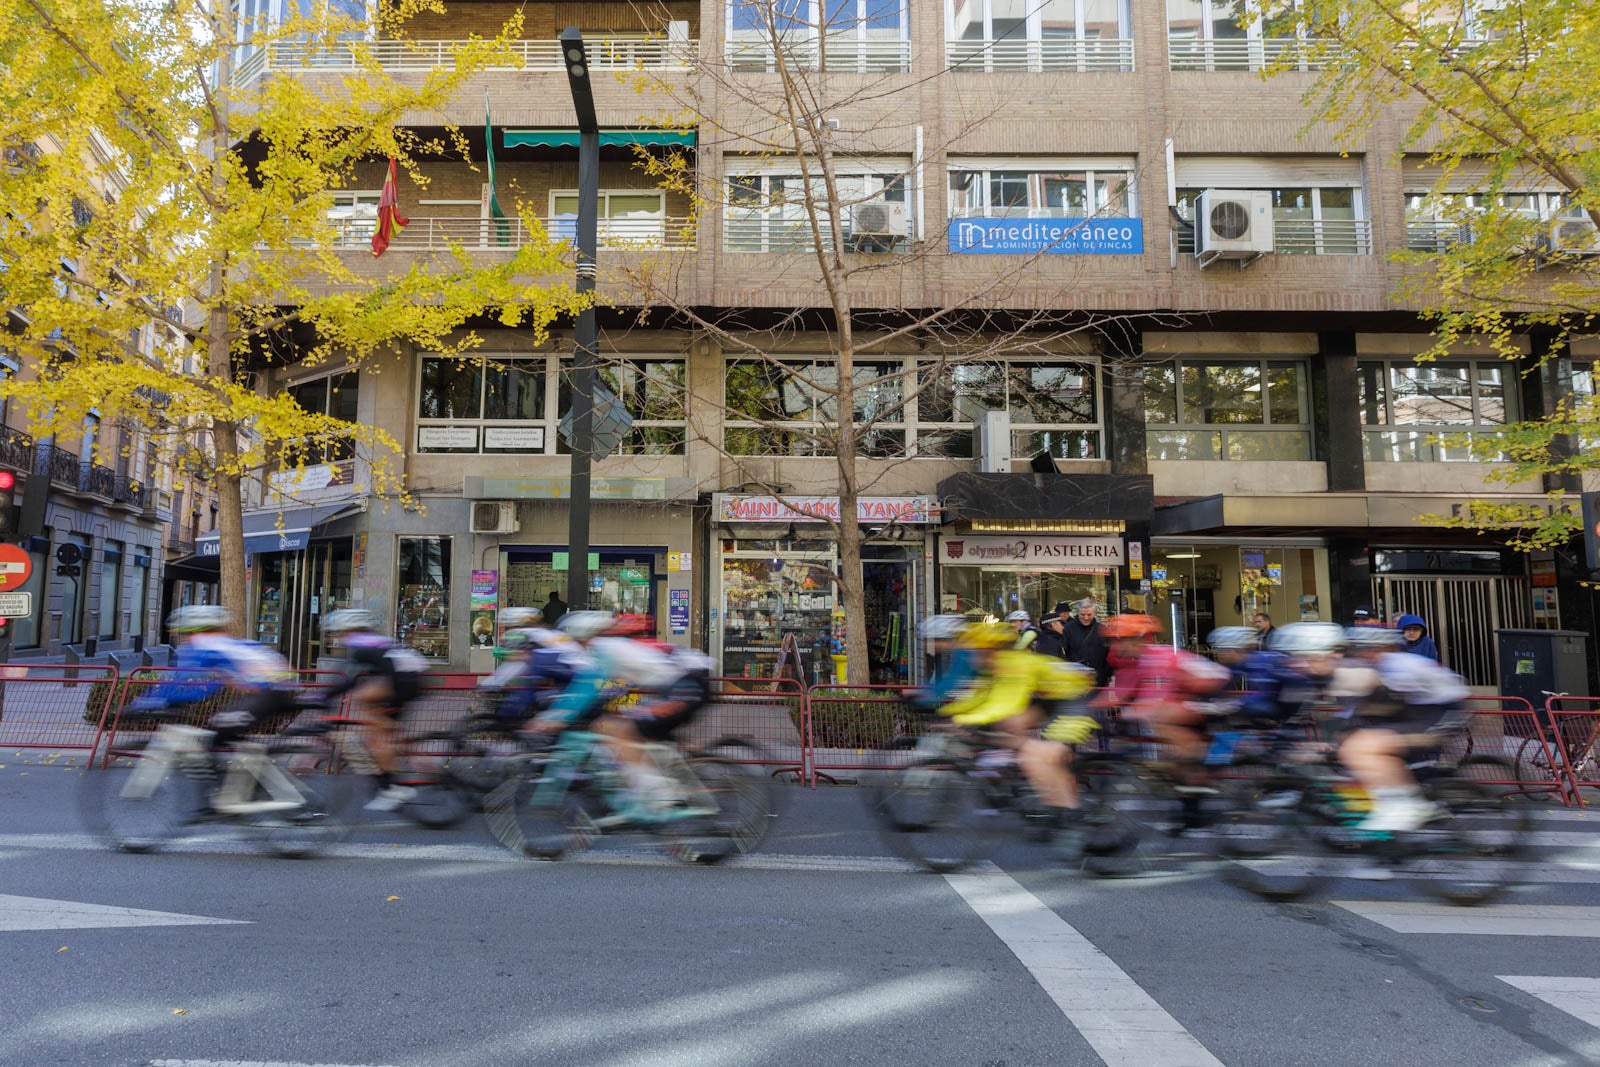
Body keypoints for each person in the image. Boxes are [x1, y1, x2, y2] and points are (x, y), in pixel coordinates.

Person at [129, 606, 297, 810]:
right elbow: (209, 686)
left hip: (269, 692)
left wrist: (147, 702)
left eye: (183, 633)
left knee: (217, 733)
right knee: (222, 731)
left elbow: (181, 683)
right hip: (274, 690)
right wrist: (170, 701)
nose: (182, 639)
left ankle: (233, 793)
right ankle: (236, 789)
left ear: (194, 630)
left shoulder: (203, 645)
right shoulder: (221, 643)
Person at [1334, 625, 1470, 832]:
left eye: (1370, 649)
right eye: (1359, 650)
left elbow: (1380, 705)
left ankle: (1405, 807)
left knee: (1368, 745)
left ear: (1385, 649)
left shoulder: (1397, 666)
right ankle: (1414, 794)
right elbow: (1365, 708)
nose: (1363, 655)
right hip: (1418, 710)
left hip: (1444, 711)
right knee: (1361, 740)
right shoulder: (1377, 667)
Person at [589, 614, 718, 811]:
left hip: (685, 686)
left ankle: (661, 794)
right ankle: (679, 762)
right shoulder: (630, 647)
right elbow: (618, 686)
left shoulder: (606, 647)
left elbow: (596, 688)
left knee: (625, 731)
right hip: (688, 684)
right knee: (642, 728)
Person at [318, 608, 432, 811]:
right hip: (409, 677)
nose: (336, 637)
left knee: (374, 730)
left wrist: (323, 697)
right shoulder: (372, 640)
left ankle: (394, 788)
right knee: (371, 713)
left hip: (404, 681)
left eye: (337, 632)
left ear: (348, 630)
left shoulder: (359, 644)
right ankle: (401, 758)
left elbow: (348, 680)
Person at [1060, 598, 1110, 686]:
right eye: (1082, 614)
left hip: (1098, 679)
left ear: (1094, 614)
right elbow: (1063, 652)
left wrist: (1105, 674)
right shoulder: (1068, 628)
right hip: (1076, 679)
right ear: (1078, 613)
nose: (1086, 618)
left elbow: (1108, 654)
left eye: (1089, 614)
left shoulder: (1103, 629)